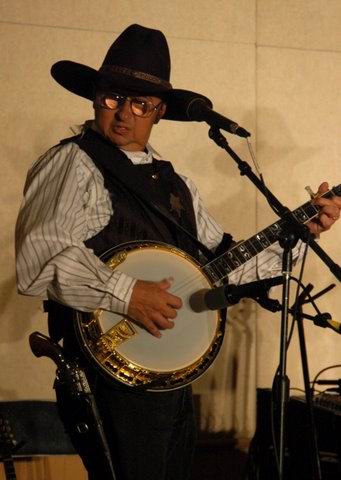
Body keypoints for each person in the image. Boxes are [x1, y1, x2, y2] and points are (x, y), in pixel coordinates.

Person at [15, 24, 341, 480]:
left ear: (159, 112)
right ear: (95, 98)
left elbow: (222, 265)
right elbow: (39, 258)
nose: (123, 113)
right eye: (113, 98)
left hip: (170, 375)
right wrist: (127, 293)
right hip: (106, 373)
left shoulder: (176, 184)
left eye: (140, 104)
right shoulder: (72, 162)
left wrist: (300, 232)